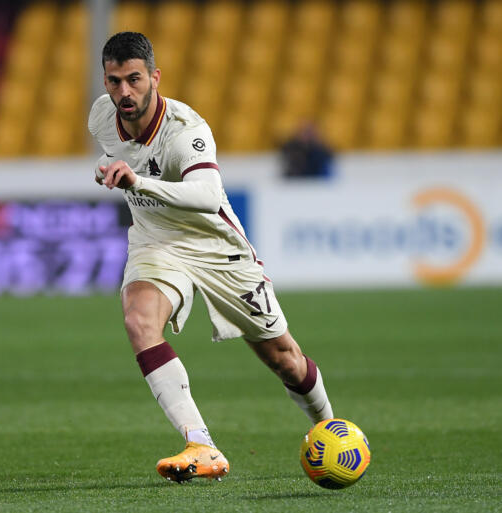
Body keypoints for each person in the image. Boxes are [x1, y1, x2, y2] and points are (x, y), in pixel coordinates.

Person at [88, 32, 334, 483]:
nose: (124, 92)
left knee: (284, 358)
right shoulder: (101, 117)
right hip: (155, 241)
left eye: (134, 79)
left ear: (155, 78)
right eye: (114, 81)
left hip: (216, 247)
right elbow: (120, 156)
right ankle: (201, 444)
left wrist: (137, 183)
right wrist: (110, 170)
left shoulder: (186, 130)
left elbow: (206, 195)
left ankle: (329, 428)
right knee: (139, 320)